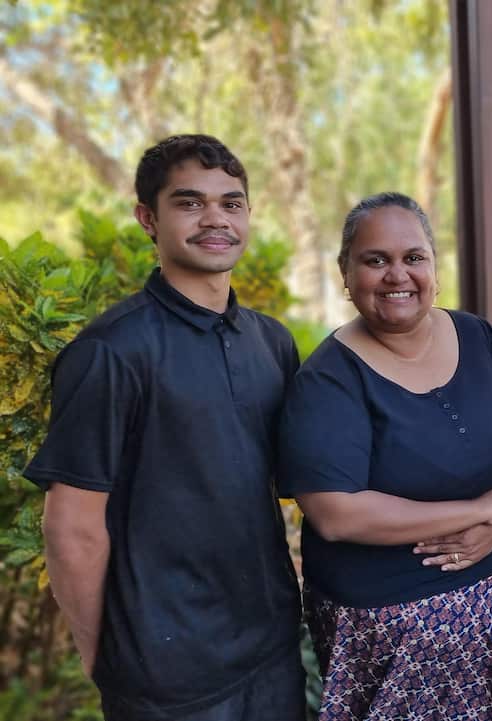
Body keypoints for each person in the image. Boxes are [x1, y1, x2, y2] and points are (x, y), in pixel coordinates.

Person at [25, 135, 306, 720]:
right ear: (147, 219)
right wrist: (102, 658)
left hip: (271, 650)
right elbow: (71, 527)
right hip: (165, 676)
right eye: (189, 202)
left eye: (232, 203)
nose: (215, 219)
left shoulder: (271, 342)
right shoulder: (110, 351)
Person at [277, 192, 492, 721]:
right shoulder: (329, 379)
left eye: (413, 257)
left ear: (434, 269)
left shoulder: (479, 337)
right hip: (389, 641)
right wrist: (478, 513)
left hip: (491, 613)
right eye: (375, 260)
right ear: (346, 275)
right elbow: (335, 513)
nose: (397, 274)